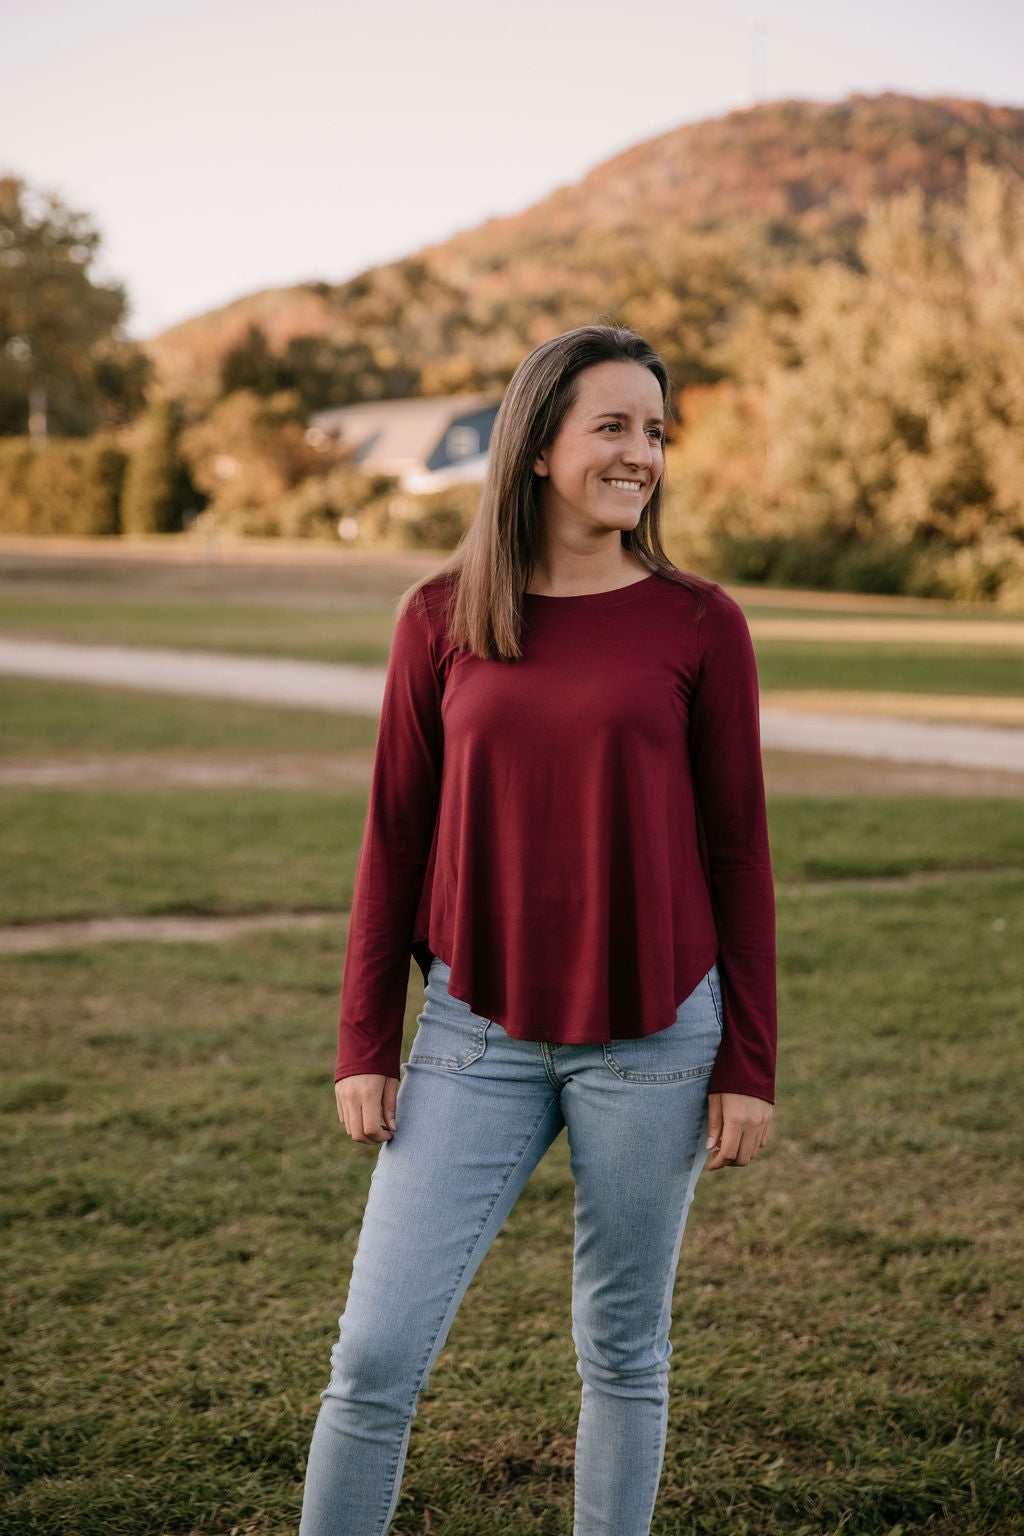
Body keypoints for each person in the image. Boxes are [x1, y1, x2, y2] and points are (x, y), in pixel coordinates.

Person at [299, 324, 776, 1536]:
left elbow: (738, 856)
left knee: (623, 1352)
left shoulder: (699, 623)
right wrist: (367, 1040)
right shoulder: (439, 617)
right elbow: (392, 841)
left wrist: (748, 1063)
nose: (640, 454)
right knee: (373, 1358)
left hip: (657, 1040)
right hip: (474, 1030)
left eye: (655, 431)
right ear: (535, 448)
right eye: (612, 426)